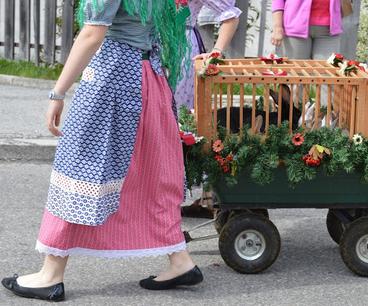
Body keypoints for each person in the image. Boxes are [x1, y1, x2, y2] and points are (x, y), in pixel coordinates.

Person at [2, 0, 203, 301]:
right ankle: (180, 260)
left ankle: (51, 274)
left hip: (113, 78)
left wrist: (57, 92)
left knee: (79, 168)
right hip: (151, 77)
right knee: (151, 174)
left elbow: (92, 34)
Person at [175, 1, 241, 218]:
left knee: (183, 123)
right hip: (145, 49)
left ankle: (206, 196)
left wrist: (216, 52)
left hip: (181, 51)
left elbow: (229, 14)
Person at [271, 0, 344, 60]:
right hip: (295, 28)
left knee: (326, 74)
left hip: (329, 30)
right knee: (297, 74)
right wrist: (277, 26)